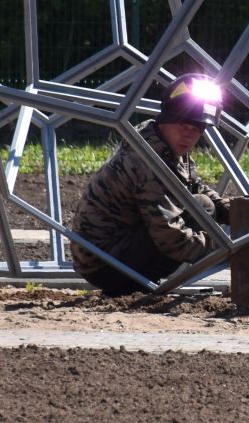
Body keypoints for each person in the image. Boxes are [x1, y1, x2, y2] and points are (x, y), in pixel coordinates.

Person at [69, 72, 231, 297]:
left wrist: (233, 212)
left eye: (197, 129)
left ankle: (139, 283)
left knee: (204, 205)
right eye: (184, 125)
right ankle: (133, 286)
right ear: (167, 118)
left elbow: (194, 187)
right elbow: (171, 239)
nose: (189, 135)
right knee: (199, 211)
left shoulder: (163, 145)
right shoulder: (148, 161)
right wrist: (226, 249)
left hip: (114, 249)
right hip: (103, 263)